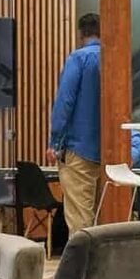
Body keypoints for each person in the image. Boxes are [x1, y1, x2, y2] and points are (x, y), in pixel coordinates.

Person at [46, 13, 104, 239]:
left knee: (80, 221)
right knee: (104, 221)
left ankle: (80, 263)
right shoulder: (115, 57)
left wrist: (55, 142)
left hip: (79, 150)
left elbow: (65, 102)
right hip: (110, 152)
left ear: (80, 34)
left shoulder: (79, 58)